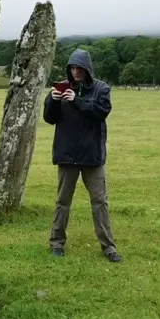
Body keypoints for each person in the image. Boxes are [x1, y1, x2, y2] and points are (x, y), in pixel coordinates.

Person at [42, 49, 123, 262]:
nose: (75, 72)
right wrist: (53, 100)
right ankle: (56, 243)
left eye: (79, 68)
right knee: (62, 202)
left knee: (99, 201)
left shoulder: (101, 89)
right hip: (67, 155)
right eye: (72, 68)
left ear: (87, 68)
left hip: (92, 155)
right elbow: (49, 119)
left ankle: (108, 247)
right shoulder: (62, 87)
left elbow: (101, 112)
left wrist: (76, 101)